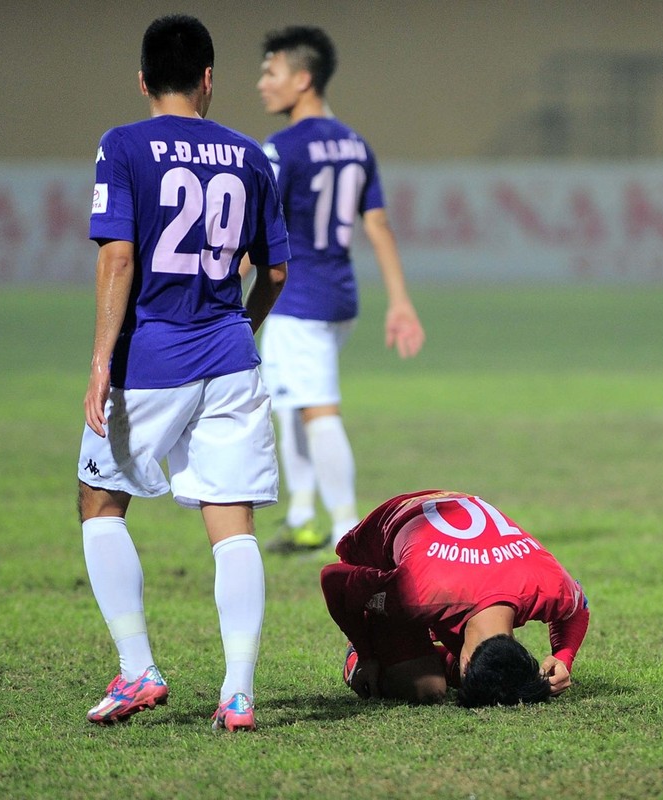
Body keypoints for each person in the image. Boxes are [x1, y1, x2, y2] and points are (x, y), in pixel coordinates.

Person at [76, 14, 289, 731]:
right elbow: (276, 269)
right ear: (207, 80)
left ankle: (139, 670)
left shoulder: (123, 145)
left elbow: (117, 257)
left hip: (153, 360)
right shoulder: (248, 154)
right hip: (231, 357)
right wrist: (242, 327)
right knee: (233, 528)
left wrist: (103, 359)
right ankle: (238, 694)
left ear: (143, 80)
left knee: (99, 503)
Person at [252, 26, 425, 553]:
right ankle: (304, 514)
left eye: (271, 72)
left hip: (296, 298)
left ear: (302, 79)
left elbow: (256, 233)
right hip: (339, 296)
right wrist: (399, 300)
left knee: (317, 410)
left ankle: (349, 533)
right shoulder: (355, 143)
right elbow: (377, 225)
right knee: (290, 401)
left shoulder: (280, 149)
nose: (262, 83)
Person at [320, 490, 590, 707]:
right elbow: (334, 579)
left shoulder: (548, 584)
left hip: (449, 546)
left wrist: (563, 657)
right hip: (380, 540)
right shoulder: (416, 594)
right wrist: (366, 652)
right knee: (424, 689)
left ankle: (430, 657)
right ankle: (363, 653)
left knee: (484, 681)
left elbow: (578, 609)